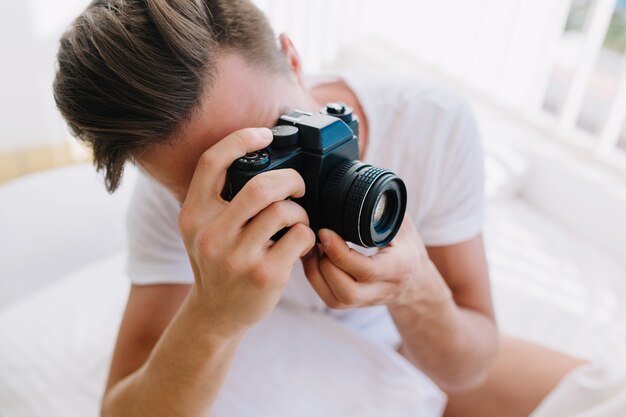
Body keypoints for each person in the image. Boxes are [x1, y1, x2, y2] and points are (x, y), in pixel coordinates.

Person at [51, 1, 555, 416]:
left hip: (406, 335)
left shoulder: (432, 124)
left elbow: (469, 367)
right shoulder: (179, 200)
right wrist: (213, 317)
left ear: (294, 60)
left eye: (278, 136)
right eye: (235, 182)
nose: (271, 190)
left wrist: (415, 284)